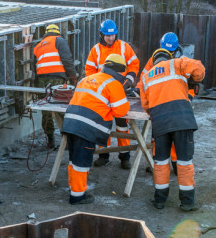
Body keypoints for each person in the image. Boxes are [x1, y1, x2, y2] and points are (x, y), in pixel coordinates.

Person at [137, 33, 205, 211]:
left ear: (154, 59)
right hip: (182, 120)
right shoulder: (178, 63)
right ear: (170, 55)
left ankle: (159, 200)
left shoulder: (146, 77)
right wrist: (192, 81)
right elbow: (199, 69)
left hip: (160, 123)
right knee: (183, 162)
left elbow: (146, 105)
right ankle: (187, 202)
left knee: (160, 162)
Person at [61, 54, 130, 204]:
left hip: (70, 124)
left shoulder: (86, 79)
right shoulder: (114, 84)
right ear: (120, 71)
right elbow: (121, 111)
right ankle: (77, 197)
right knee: (81, 162)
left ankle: (74, 190)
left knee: (73, 160)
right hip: (87, 128)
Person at [84, 19, 139, 169]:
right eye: (107, 35)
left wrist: (130, 78)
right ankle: (104, 155)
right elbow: (89, 71)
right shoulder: (95, 50)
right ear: (102, 35)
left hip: (121, 91)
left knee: (122, 125)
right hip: (103, 95)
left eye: (113, 35)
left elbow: (134, 63)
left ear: (116, 34)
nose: (110, 38)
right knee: (103, 124)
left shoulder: (124, 47)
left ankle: (124, 156)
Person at [141, 32, 193, 175]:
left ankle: (177, 165)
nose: (168, 54)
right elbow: (143, 79)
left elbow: (192, 83)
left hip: (177, 103)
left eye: (171, 51)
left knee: (177, 137)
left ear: (176, 50)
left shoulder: (182, 62)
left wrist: (188, 97)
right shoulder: (154, 60)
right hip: (160, 102)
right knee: (159, 135)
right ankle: (157, 163)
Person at [33, 23, 78, 149]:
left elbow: (34, 66)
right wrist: (73, 77)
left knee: (46, 110)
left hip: (42, 81)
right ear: (57, 32)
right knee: (63, 108)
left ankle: (50, 140)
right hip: (57, 80)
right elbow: (67, 60)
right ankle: (70, 139)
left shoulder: (38, 46)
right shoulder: (59, 40)